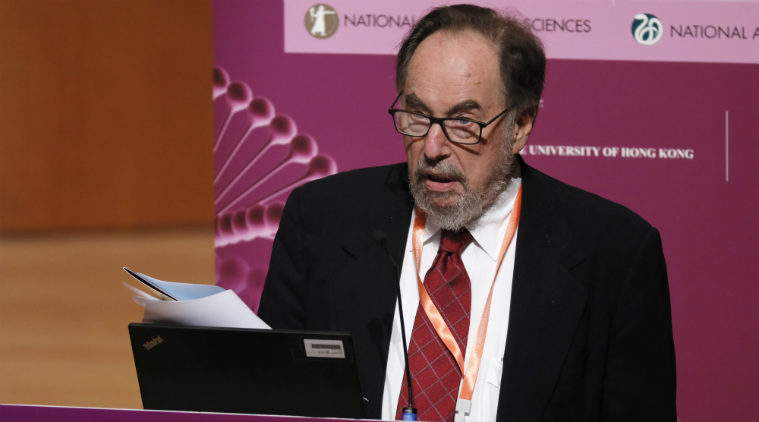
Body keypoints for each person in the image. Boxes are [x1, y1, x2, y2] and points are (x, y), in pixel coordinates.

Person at [258, 4, 676, 421]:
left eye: (463, 122)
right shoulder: (322, 220)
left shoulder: (614, 254)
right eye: (417, 115)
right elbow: (271, 400)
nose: (432, 148)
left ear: (520, 125)